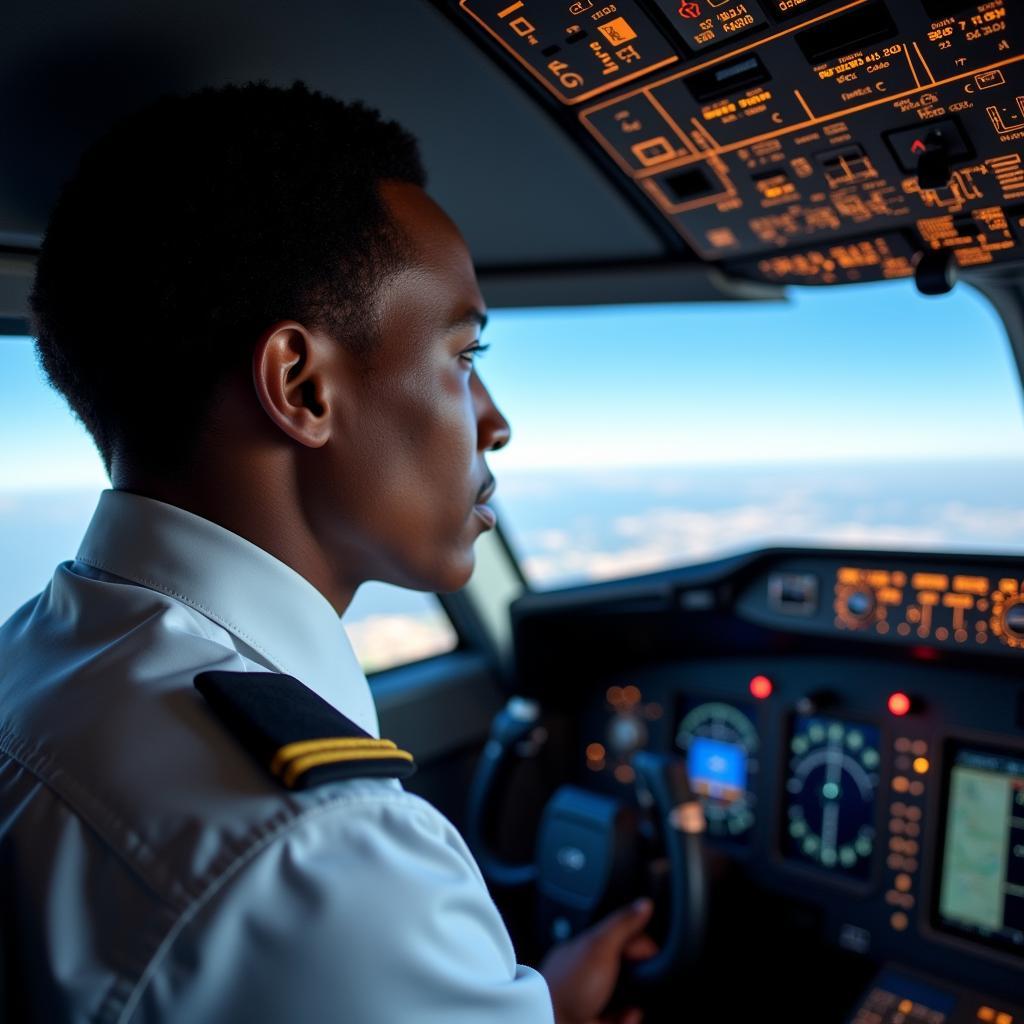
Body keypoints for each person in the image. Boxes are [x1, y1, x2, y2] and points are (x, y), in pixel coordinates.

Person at [0, 81, 656, 1023]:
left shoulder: (33, 664)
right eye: (463, 358)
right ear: (302, 386)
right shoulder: (328, 861)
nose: (496, 423)